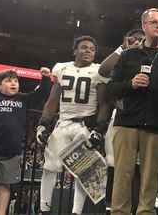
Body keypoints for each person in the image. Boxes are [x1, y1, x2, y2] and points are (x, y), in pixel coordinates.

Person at [107, 7, 158, 215]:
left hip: (156, 126)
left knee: (150, 178)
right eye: (154, 22)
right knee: (122, 176)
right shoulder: (127, 55)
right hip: (125, 124)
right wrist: (130, 84)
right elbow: (111, 89)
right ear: (144, 26)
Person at [36, 35, 110, 215]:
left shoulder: (98, 71)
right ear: (74, 50)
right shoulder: (62, 68)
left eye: (92, 49)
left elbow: (104, 103)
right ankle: (44, 209)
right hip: (63, 123)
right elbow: (52, 100)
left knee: (83, 171)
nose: (88, 51)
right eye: (84, 47)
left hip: (84, 126)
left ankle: (76, 212)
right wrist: (43, 124)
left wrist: (99, 129)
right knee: (50, 167)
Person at [0, 67, 51, 215]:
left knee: (5, 186)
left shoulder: (23, 99)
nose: (14, 83)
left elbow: (41, 93)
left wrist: (45, 78)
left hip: (11, 152)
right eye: (8, 80)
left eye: (16, 80)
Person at [98, 28, 145, 214]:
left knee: (138, 169)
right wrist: (121, 49)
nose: (139, 42)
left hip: (144, 117)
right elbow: (103, 69)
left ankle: (135, 209)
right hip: (122, 116)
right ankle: (116, 210)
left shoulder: (152, 57)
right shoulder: (123, 60)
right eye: (135, 39)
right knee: (118, 167)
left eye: (142, 39)